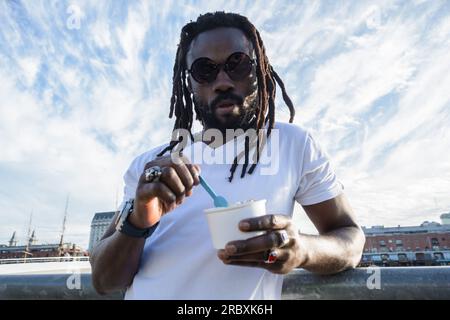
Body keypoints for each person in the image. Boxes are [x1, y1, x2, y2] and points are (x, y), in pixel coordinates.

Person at [90, 11, 365, 300]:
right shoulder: (152, 166)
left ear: (259, 71)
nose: (222, 81)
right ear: (189, 83)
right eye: (204, 70)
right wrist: (137, 220)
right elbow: (105, 281)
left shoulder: (294, 145)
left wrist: (304, 251)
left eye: (237, 64)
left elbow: (351, 239)